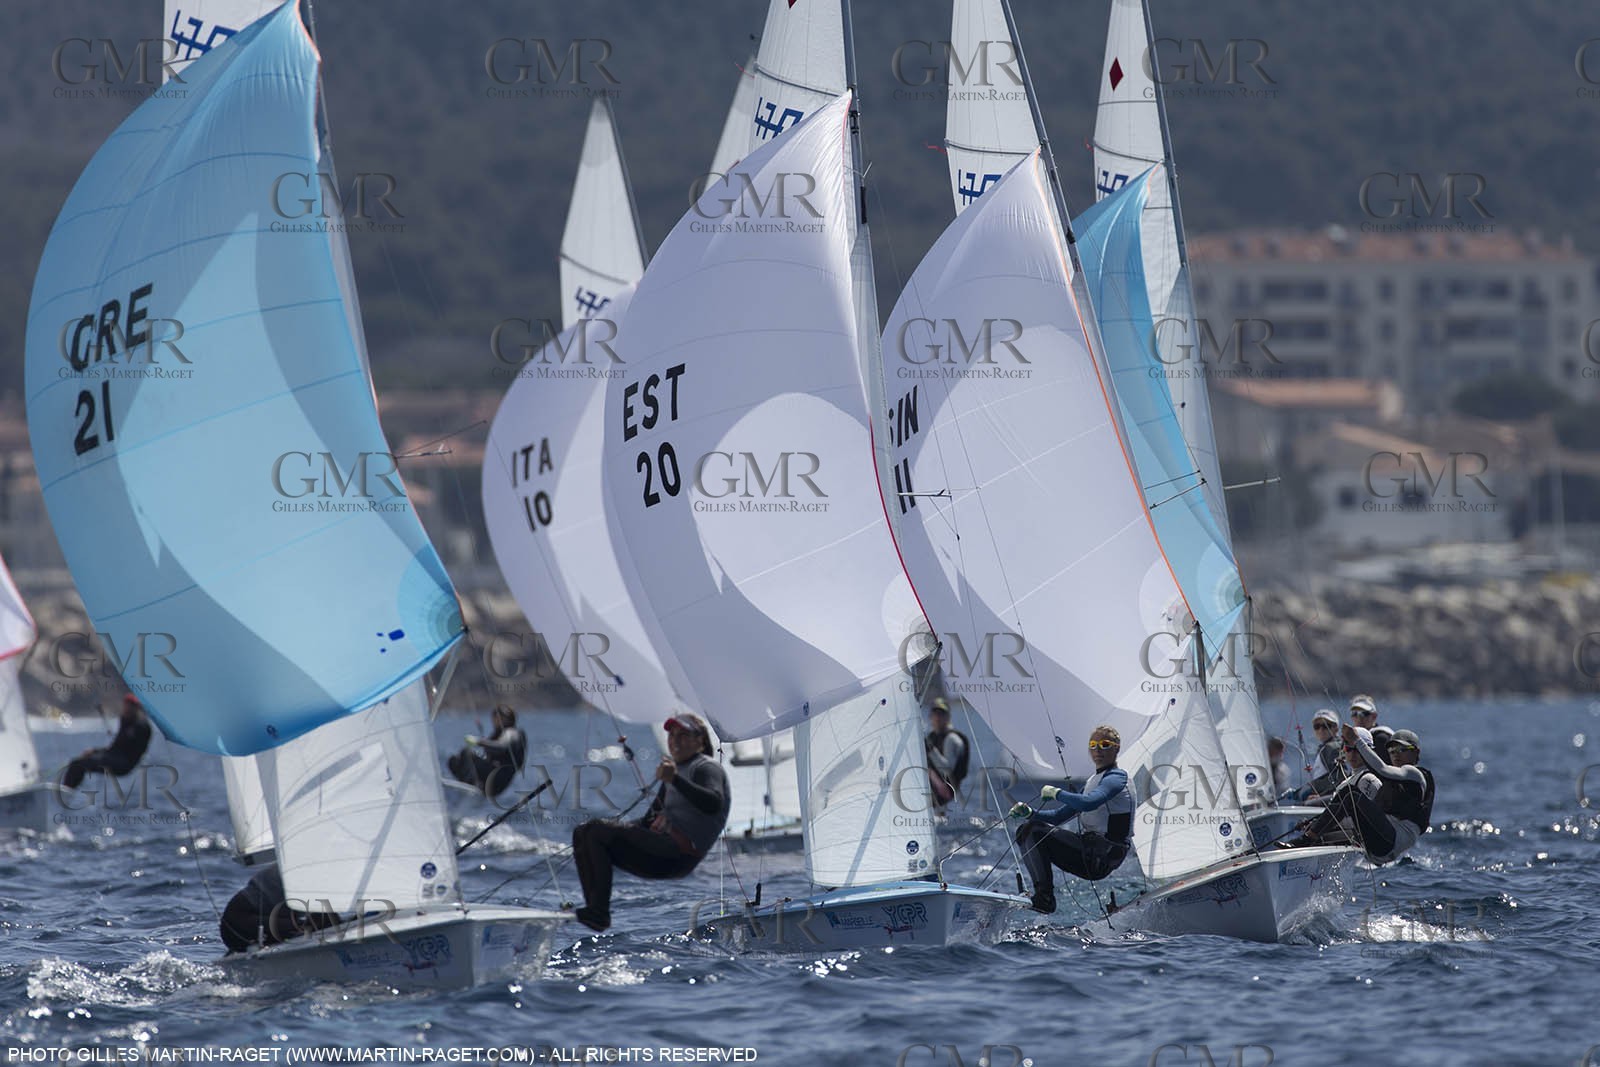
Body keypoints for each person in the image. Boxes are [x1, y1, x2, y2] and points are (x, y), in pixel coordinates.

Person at [570, 713, 730, 932]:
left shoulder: (706, 767)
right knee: (584, 832)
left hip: (678, 855)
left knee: (597, 831)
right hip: (659, 852)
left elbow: (714, 803)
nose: (675, 740)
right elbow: (648, 821)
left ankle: (599, 912)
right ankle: (594, 911)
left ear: (700, 741)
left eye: (683, 735)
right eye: (672, 736)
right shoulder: (675, 771)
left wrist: (674, 779)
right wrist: (617, 828)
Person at [1009, 725, 1133, 914]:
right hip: (1091, 851)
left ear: (1116, 748)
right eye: (1094, 745)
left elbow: (1089, 803)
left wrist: (1057, 793)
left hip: (1104, 855)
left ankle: (1045, 899)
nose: (1098, 750)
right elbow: (1058, 817)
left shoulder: (1116, 778)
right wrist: (1029, 813)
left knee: (1033, 830)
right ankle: (1042, 896)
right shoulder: (1094, 780)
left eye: (1105, 744)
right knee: (1027, 829)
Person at [1282, 726, 1434, 864]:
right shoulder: (1393, 779)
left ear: (1416, 752)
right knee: (1347, 795)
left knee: (1351, 795)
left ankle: (1307, 839)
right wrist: (1316, 823)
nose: (1396, 754)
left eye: (1402, 749)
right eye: (1392, 751)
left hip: (1391, 843)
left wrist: (1356, 740)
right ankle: (1306, 842)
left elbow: (1382, 769)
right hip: (1379, 842)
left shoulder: (1415, 773)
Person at [218, 865, 338, 953]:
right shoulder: (309, 872)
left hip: (239, 922)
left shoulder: (308, 867)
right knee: (313, 927)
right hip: (240, 921)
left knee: (316, 925)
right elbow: (325, 919)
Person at [60, 694, 152, 791]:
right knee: (76, 762)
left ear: (136, 708)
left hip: (123, 765)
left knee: (78, 764)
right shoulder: (126, 721)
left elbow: (124, 748)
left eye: (130, 706)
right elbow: (115, 747)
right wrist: (94, 751)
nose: (126, 708)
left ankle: (66, 793)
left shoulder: (141, 726)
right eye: (126, 705)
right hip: (116, 758)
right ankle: (67, 791)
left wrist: (97, 752)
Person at [447, 705, 526, 798]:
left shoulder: (511, 733)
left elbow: (501, 746)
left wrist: (478, 741)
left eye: (500, 717)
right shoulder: (498, 733)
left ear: (509, 719)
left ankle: (472, 786)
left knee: (467, 752)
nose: (497, 719)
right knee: (453, 760)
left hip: (497, 780)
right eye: (495, 716)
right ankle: (467, 787)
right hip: (490, 780)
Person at [924, 698, 970, 816]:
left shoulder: (952, 739)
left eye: (942, 714)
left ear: (948, 717)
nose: (938, 717)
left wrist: (930, 749)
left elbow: (946, 769)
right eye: (935, 714)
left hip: (949, 798)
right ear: (930, 717)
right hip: (936, 794)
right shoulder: (932, 737)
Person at [1291, 709, 1344, 802]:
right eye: (1317, 726)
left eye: (1326, 726)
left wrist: (1320, 795)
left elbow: (1340, 777)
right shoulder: (1329, 747)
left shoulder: (1331, 748)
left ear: (1336, 728)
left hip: (1332, 800)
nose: (1321, 730)